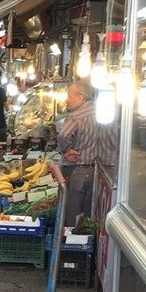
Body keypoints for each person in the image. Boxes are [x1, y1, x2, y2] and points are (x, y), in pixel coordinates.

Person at [57, 79, 118, 227]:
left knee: (74, 211)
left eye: (70, 96)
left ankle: (73, 242)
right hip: (105, 172)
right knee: (93, 212)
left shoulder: (76, 116)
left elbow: (64, 135)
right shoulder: (106, 112)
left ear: (80, 97)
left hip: (80, 169)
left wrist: (65, 150)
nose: (67, 99)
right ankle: (90, 241)